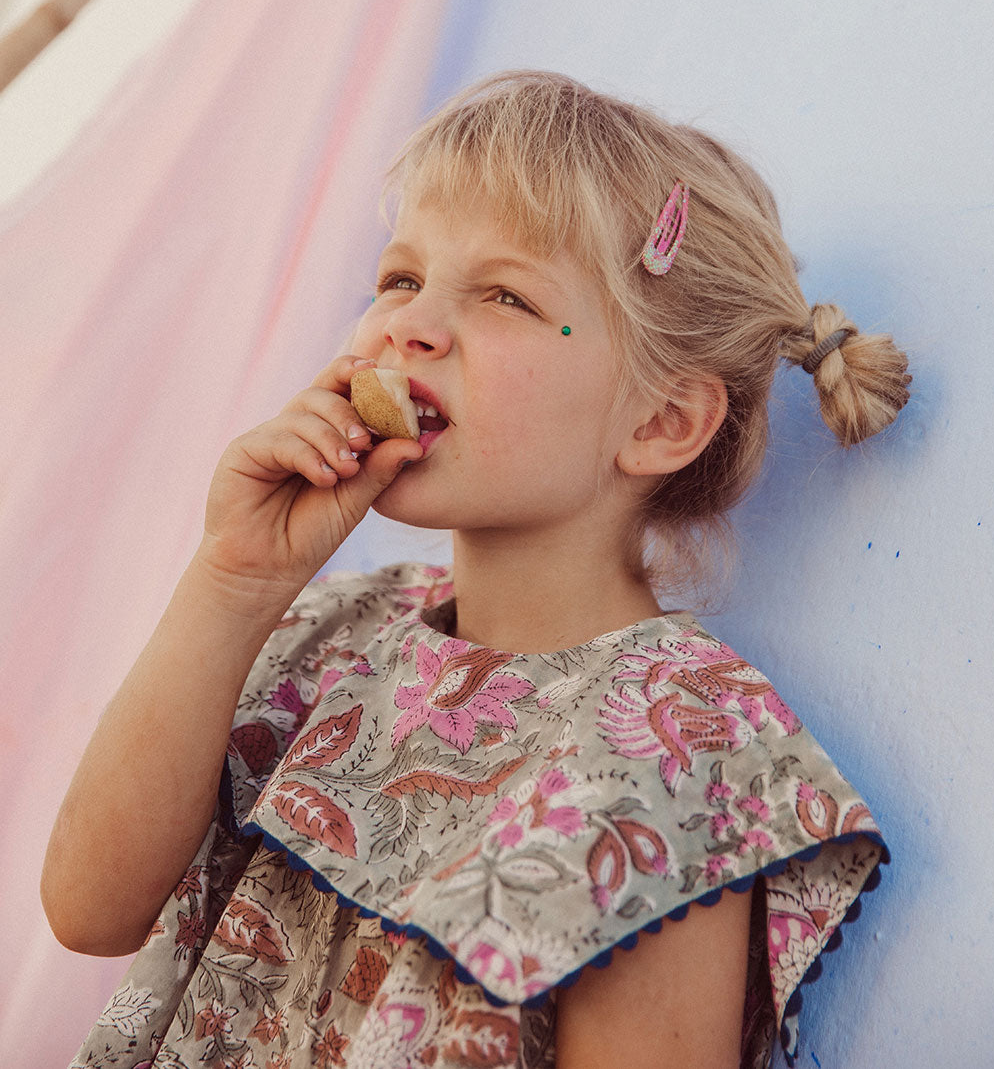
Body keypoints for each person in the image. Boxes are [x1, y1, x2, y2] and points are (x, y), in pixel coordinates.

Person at [44, 70, 910, 1069]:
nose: (408, 324)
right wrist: (233, 577)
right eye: (400, 278)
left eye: (506, 294)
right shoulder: (328, 631)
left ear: (661, 421)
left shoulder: (680, 743)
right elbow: (90, 909)